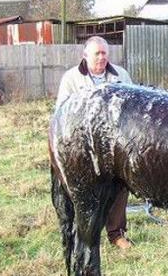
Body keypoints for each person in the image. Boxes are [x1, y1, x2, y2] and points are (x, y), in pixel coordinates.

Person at [55, 35, 133, 249]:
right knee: (85, 191)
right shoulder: (71, 79)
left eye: (104, 53)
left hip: (114, 144)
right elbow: (62, 115)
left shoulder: (121, 75)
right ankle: (84, 233)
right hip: (82, 146)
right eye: (97, 53)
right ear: (85, 56)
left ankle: (116, 233)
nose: (101, 57)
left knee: (121, 184)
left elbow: (132, 111)